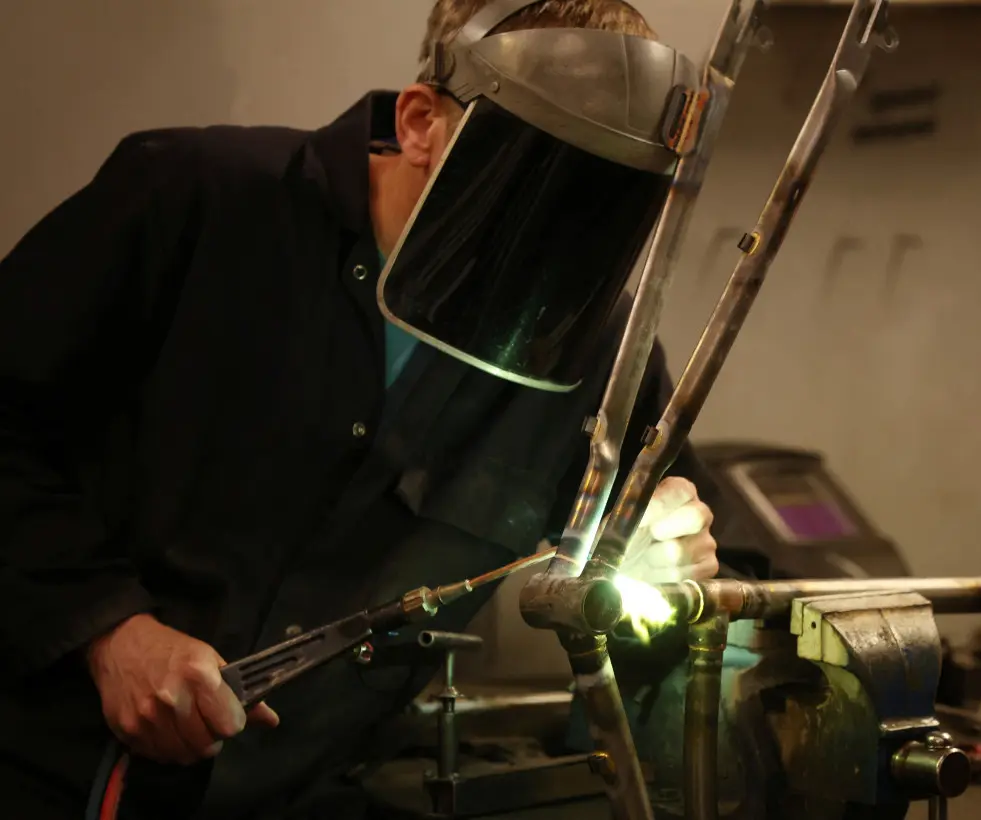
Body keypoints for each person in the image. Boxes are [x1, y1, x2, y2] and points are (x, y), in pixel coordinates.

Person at [0, 1, 719, 817]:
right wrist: (105, 630)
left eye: (604, 206)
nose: (555, 244)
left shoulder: (600, 355)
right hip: (40, 768)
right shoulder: (192, 204)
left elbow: (659, 614)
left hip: (298, 795)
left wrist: (677, 566)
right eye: (539, 185)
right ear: (421, 125)